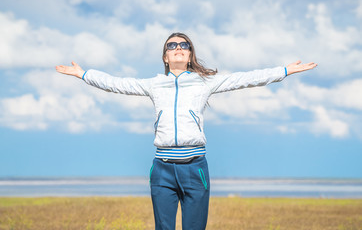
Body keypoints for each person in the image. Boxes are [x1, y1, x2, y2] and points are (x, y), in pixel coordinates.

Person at [56, 32, 317, 230]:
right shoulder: (154, 85)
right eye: (172, 46)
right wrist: (83, 74)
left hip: (195, 169)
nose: (178, 48)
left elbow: (245, 78)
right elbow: (116, 84)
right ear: (165, 57)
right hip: (162, 169)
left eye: (184, 45)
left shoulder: (205, 83)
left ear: (190, 54)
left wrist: (284, 71)